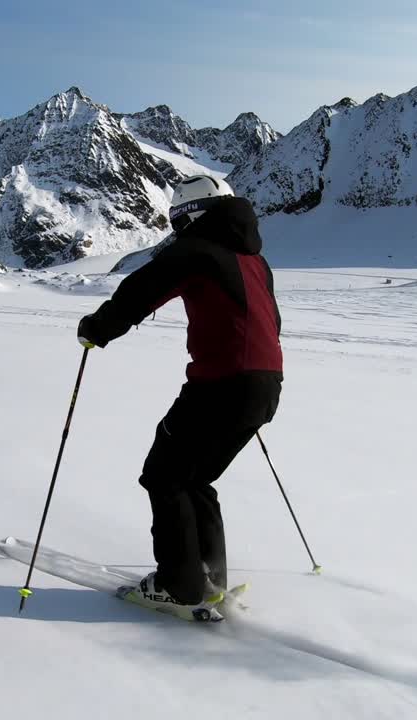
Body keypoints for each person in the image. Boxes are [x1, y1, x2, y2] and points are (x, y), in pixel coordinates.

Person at [76, 175, 283, 619]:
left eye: (177, 219)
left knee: (164, 476)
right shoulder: (255, 259)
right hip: (264, 385)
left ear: (192, 214)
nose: (176, 228)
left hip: (223, 387)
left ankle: (180, 586)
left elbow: (141, 290)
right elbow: (271, 321)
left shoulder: (196, 249)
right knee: (192, 479)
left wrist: (97, 329)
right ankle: (210, 578)